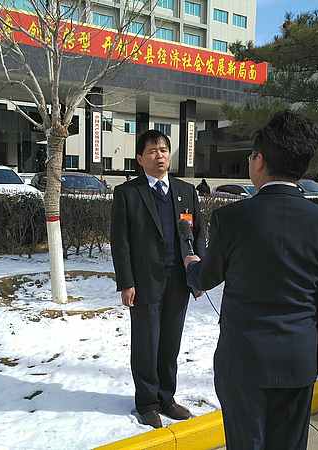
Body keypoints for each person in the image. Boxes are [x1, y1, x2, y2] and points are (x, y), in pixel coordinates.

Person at [184, 110, 318, 449]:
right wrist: (315, 359)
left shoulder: (231, 218)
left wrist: (190, 263)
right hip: (299, 359)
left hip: (243, 359)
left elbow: (207, 277)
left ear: (259, 161)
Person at [110, 129, 206, 429]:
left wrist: (199, 275)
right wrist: (126, 282)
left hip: (179, 280)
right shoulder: (128, 193)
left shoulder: (185, 191)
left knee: (170, 344)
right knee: (146, 344)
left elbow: (198, 234)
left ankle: (166, 397)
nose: (159, 155)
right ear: (140, 159)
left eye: (163, 150)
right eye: (152, 151)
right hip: (145, 282)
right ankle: (147, 403)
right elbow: (120, 241)